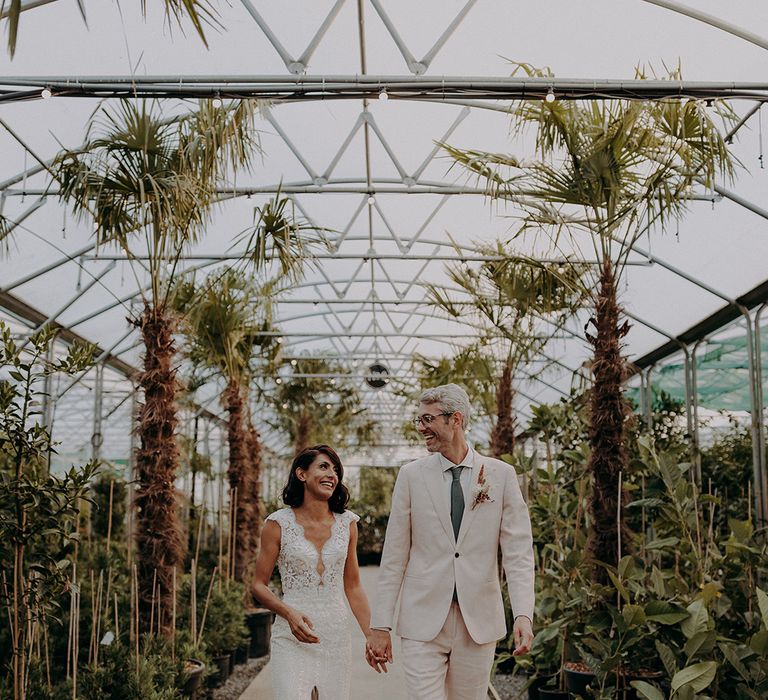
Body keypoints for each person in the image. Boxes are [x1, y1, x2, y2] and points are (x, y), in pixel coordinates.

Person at [366, 384, 535, 700]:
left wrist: (523, 614)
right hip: (422, 621)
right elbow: (394, 557)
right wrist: (380, 625)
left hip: (479, 622)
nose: (421, 428)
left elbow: (518, 554)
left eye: (427, 419)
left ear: (455, 419)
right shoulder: (411, 476)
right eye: (419, 420)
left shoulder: (501, 475)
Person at [252, 445, 373, 699]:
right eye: (323, 466)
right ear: (301, 474)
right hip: (291, 635)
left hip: (336, 636)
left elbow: (353, 586)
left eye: (336, 470)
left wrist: (371, 634)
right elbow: (258, 585)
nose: (332, 474)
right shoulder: (278, 524)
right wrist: (288, 613)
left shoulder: (348, 524)